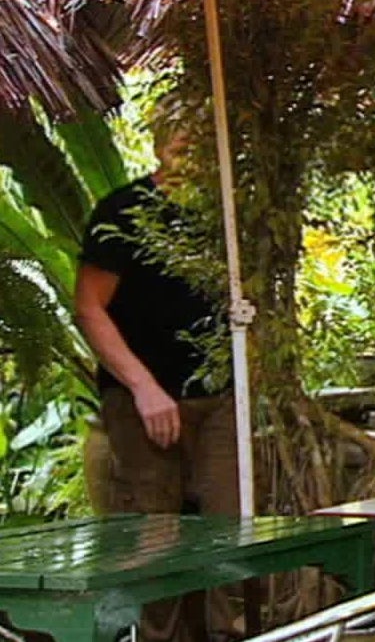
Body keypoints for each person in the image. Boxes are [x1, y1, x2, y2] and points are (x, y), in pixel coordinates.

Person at [75, 129, 238, 642]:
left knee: (229, 530)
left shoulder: (228, 213)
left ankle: (227, 632)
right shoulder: (123, 210)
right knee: (155, 533)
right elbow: (89, 307)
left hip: (219, 398)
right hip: (141, 399)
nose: (187, 142)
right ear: (158, 140)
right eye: (177, 131)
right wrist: (143, 386)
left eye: (198, 132)